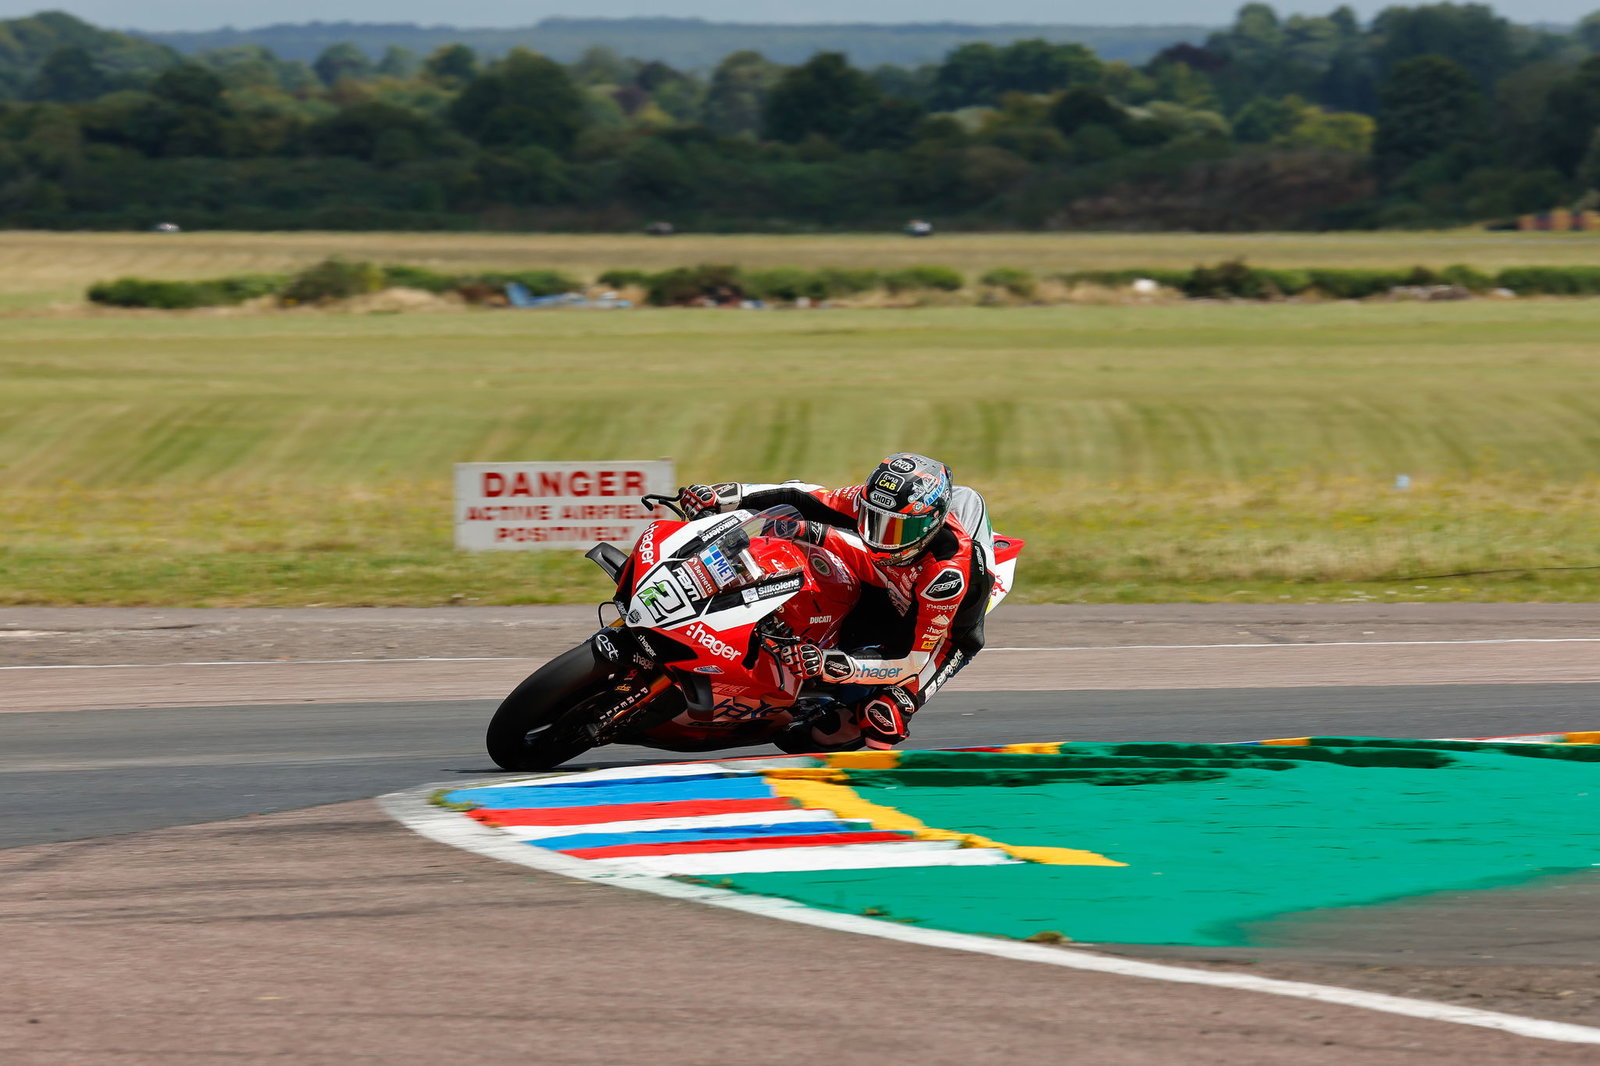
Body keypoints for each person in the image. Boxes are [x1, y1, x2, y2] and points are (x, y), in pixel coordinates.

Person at [677, 453, 996, 751]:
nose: (881, 536)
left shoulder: (947, 574)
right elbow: (803, 496)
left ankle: (871, 710)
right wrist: (726, 496)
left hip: (936, 636)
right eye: (874, 519)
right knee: (797, 535)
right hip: (884, 581)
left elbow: (911, 660)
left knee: (879, 717)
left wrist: (832, 665)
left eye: (897, 528)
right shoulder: (873, 505)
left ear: (931, 524)